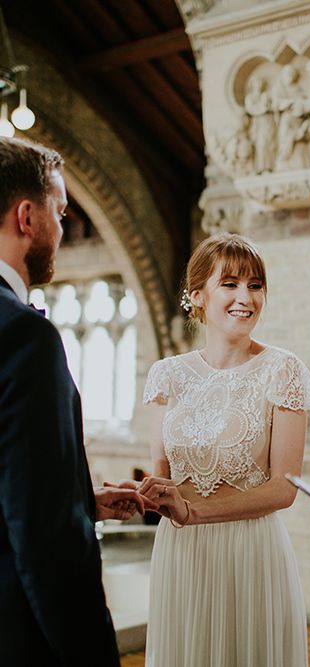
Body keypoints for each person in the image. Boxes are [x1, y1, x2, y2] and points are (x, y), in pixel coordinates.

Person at [136, 233, 310, 666]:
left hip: (250, 551)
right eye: (231, 283)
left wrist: (194, 512)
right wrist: (143, 495)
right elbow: (162, 475)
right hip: (181, 552)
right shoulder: (167, 376)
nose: (246, 297)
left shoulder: (283, 370)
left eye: (255, 285)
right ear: (198, 295)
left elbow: (284, 489)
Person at [0, 136, 146, 666]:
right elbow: (44, 537)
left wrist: (80, 497)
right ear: (27, 218)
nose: (62, 230)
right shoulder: (22, 336)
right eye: (59, 213)